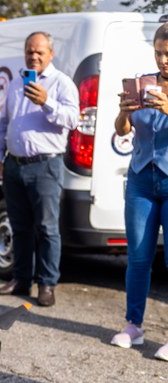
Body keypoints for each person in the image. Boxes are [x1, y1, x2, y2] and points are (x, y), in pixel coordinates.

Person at [0, 32, 79, 307]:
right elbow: (4, 122)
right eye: (30, 51)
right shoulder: (17, 83)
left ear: (51, 54)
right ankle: (21, 279)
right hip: (15, 164)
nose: (34, 56)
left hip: (45, 165)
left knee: (47, 228)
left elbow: (73, 119)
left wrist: (46, 102)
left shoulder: (62, 83)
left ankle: (47, 284)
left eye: (40, 52)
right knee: (20, 227)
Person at [110, 23, 168, 361]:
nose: (163, 60)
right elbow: (122, 131)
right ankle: (134, 325)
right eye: (159, 53)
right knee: (138, 257)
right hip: (141, 178)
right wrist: (124, 111)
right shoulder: (143, 83)